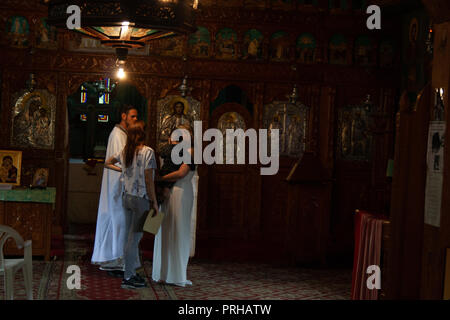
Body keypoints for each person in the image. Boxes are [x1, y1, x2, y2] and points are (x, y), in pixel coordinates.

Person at [105, 120, 158, 289]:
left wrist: (123, 171)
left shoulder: (125, 151)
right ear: (142, 135)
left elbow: (107, 162)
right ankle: (128, 277)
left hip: (126, 197)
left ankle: (130, 272)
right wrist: (154, 202)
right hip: (140, 199)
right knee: (134, 239)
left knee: (129, 237)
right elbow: (149, 180)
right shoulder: (148, 152)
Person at [91, 105, 138, 276]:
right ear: (123, 115)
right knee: (119, 221)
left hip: (119, 184)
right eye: (132, 116)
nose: (134, 119)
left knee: (119, 221)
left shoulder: (123, 134)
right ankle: (115, 258)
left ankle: (117, 258)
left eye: (136, 117)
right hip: (117, 185)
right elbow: (120, 161)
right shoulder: (118, 135)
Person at [152, 124, 196, 287]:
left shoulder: (186, 152)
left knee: (175, 230)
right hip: (176, 192)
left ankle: (169, 273)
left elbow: (181, 172)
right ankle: (170, 274)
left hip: (177, 192)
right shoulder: (183, 152)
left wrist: (160, 180)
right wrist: (161, 180)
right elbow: (180, 172)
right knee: (173, 230)